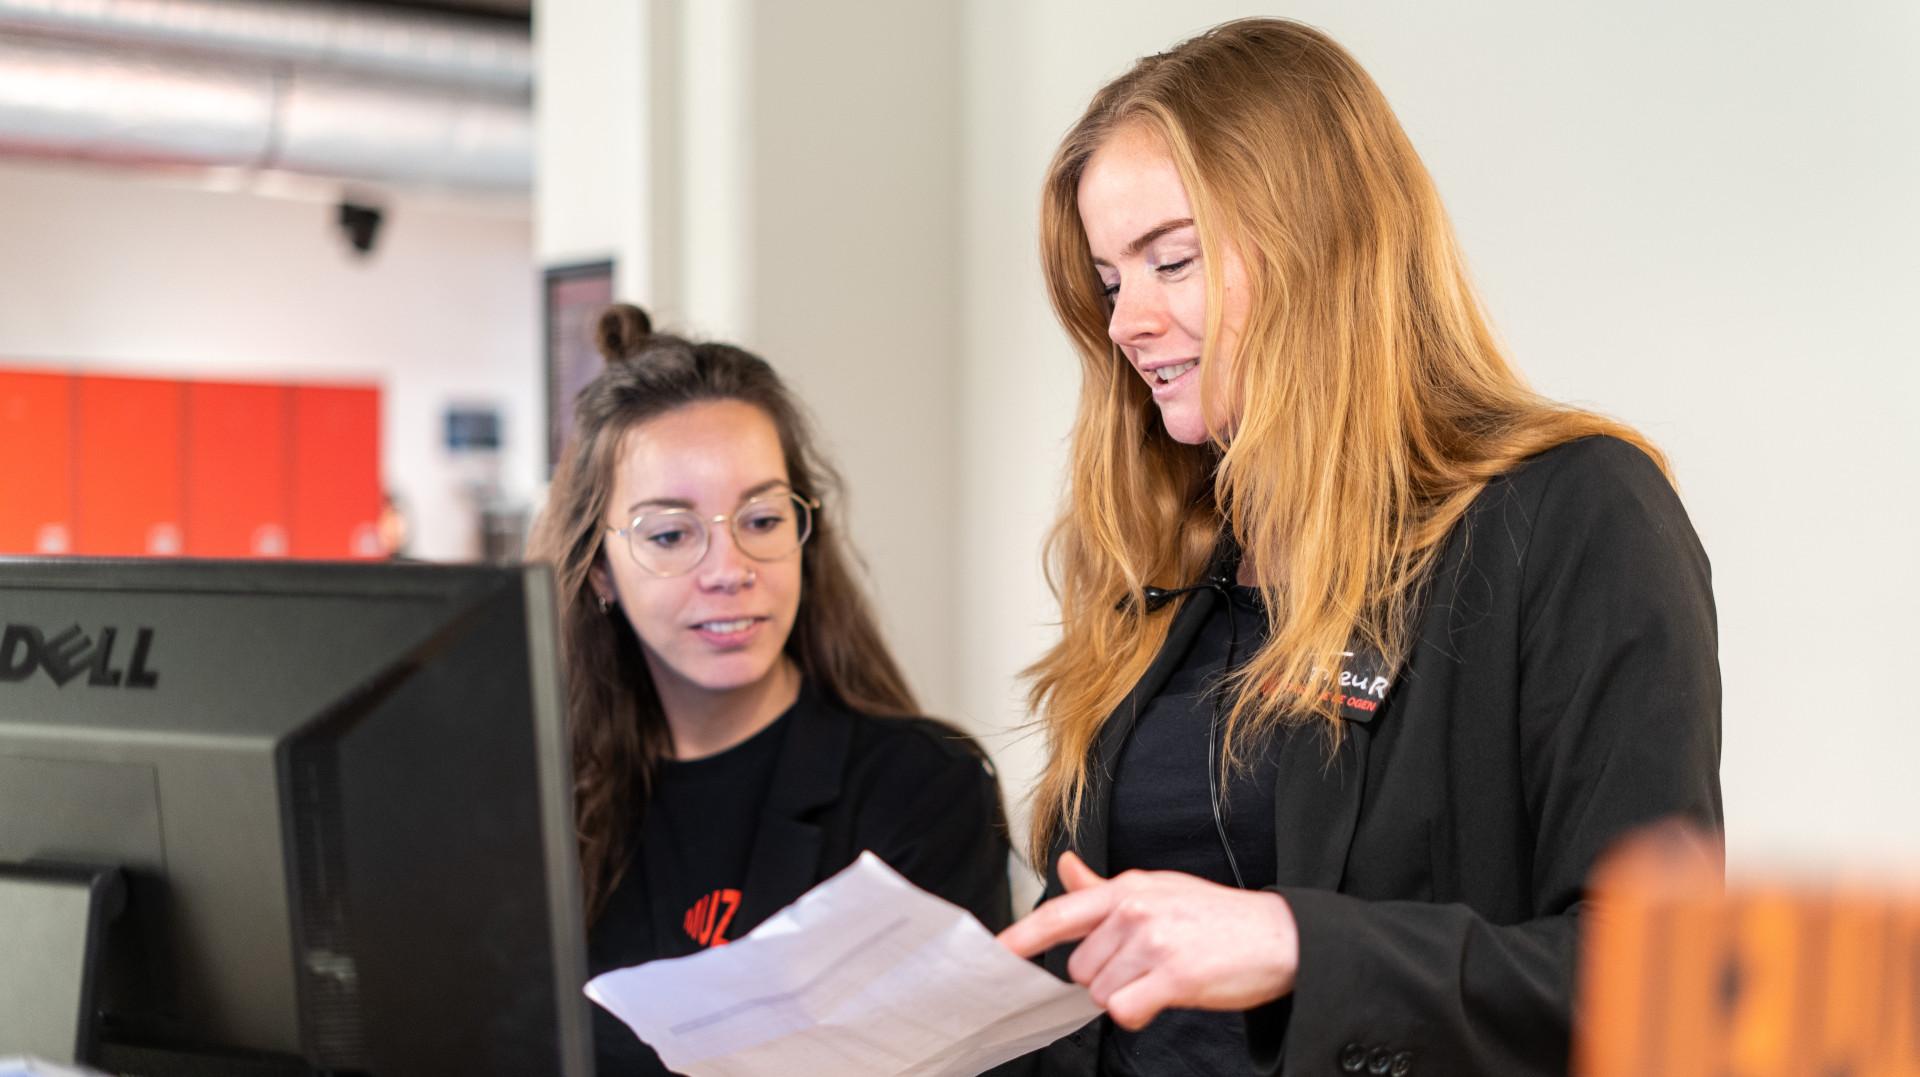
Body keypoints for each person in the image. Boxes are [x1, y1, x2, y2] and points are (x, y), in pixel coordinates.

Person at [994, 18, 1721, 1076]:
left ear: (1321, 241)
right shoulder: (1163, 561)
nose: (1126, 323)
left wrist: (1297, 945)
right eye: (1110, 281)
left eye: (1173, 260)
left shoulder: (1572, 514)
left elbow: (1666, 983)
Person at [525, 304, 1013, 1076]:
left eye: (760, 518)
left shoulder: (921, 789)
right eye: (670, 533)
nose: (730, 567)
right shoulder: (539, 811)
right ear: (598, 574)